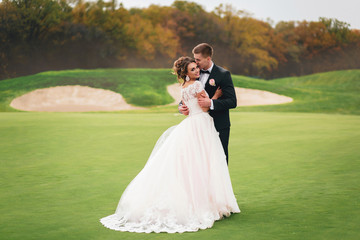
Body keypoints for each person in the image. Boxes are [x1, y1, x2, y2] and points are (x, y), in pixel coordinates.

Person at [100, 56, 240, 233]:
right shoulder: (197, 85)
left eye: (197, 67)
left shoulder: (183, 87)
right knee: (203, 162)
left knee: (192, 164)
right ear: (186, 73)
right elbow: (204, 107)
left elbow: (188, 105)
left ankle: (205, 199)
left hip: (191, 124)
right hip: (201, 124)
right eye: (193, 69)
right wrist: (217, 96)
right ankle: (205, 203)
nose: (197, 71)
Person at [179, 43, 237, 164]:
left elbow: (232, 101)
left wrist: (211, 102)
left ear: (208, 59)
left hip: (219, 125)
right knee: (199, 162)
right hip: (198, 127)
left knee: (219, 161)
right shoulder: (194, 73)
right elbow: (187, 96)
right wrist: (181, 107)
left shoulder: (223, 74)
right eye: (195, 59)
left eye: (198, 59)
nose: (195, 62)